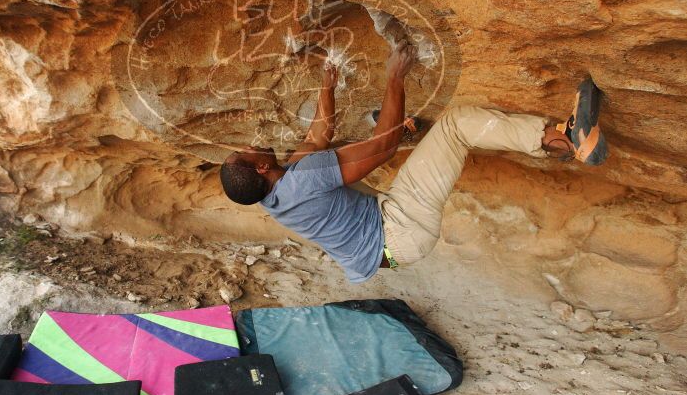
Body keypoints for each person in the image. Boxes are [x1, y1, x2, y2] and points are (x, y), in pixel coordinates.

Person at [220, 41, 607, 283]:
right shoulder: (302, 178)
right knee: (454, 125)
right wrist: (395, 78)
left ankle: (405, 129)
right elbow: (381, 149)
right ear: (259, 168)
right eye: (246, 152)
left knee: (334, 156)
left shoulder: (275, 193)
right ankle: (566, 138)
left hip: (387, 251)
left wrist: (327, 82)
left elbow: (316, 137)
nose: (252, 145)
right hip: (400, 229)